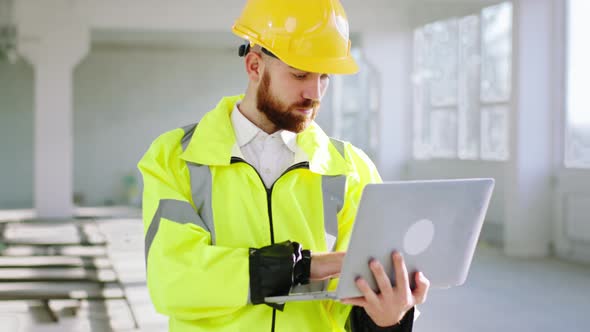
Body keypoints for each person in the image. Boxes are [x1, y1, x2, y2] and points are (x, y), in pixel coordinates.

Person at [138, 0, 430, 331]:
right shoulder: (176, 158)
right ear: (254, 66)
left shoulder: (351, 169)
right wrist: (303, 268)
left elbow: (356, 304)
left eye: (324, 77)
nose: (314, 92)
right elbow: (174, 281)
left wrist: (389, 318)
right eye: (299, 74)